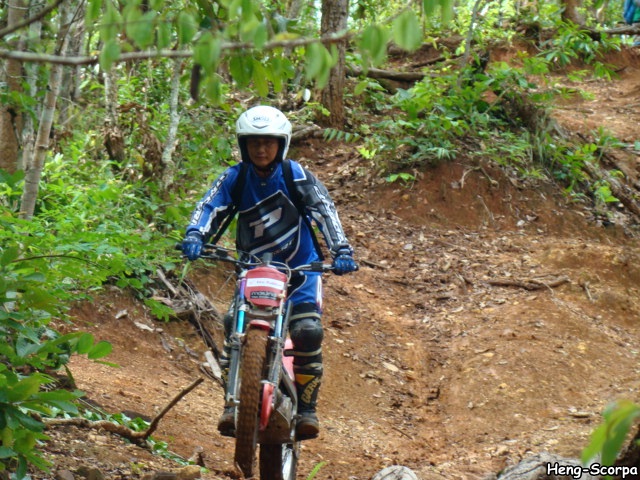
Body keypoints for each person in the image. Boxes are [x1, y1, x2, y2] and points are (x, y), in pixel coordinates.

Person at [181, 105, 357, 439]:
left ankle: (307, 410)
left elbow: (324, 210)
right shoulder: (236, 177)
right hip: (253, 270)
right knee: (233, 324)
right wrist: (195, 235)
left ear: (282, 144)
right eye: (254, 143)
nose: (261, 149)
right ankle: (232, 403)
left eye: (268, 142)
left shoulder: (296, 175)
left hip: (301, 272)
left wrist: (341, 250)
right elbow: (209, 205)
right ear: (243, 145)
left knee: (307, 332)